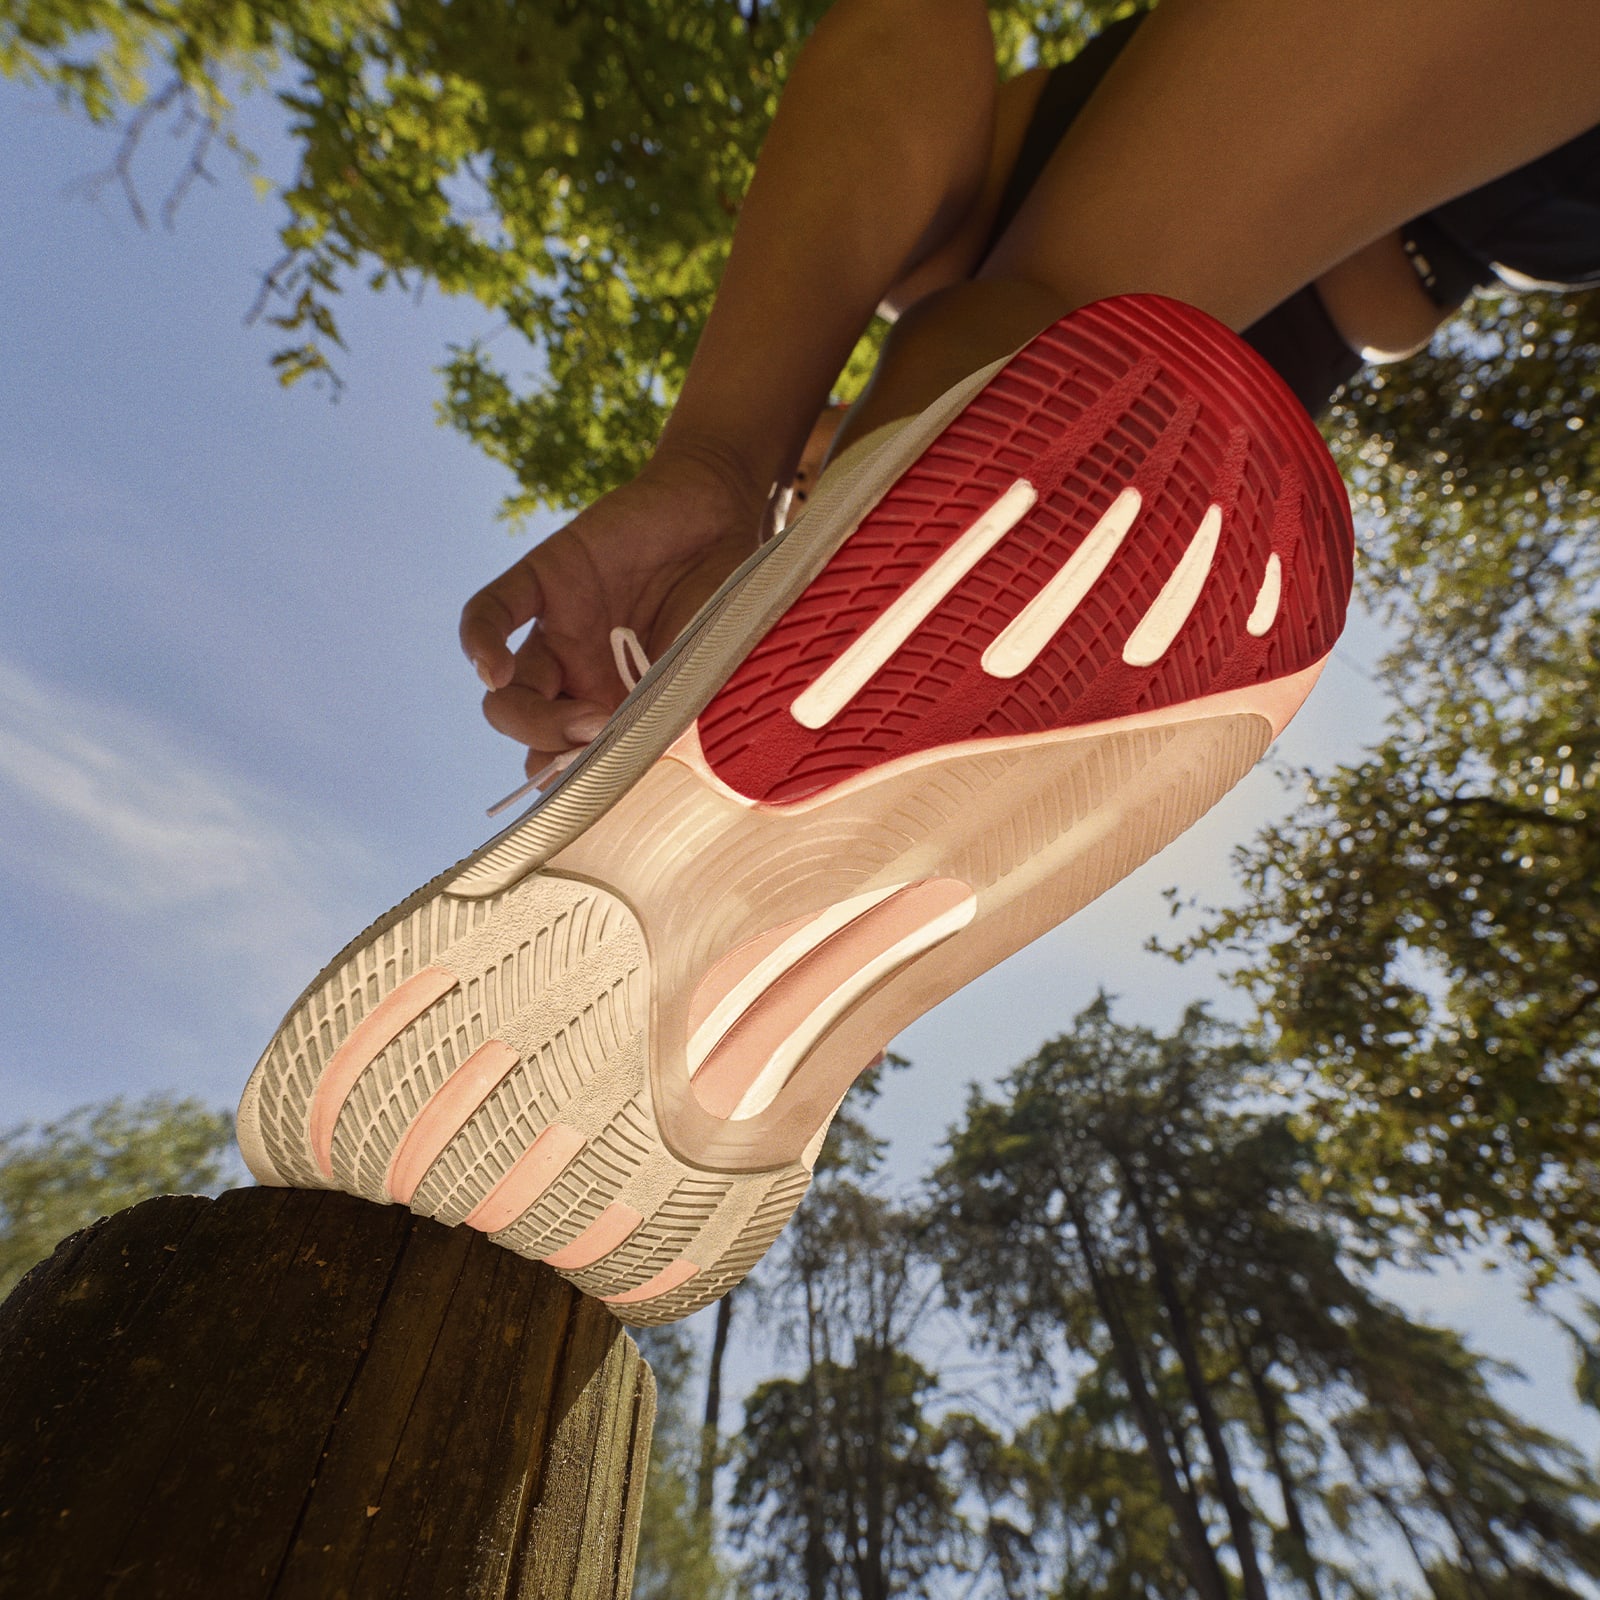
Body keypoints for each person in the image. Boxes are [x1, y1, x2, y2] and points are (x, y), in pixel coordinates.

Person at [238, 0, 1600, 1324]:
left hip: (1398, 196)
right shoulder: (1021, 321)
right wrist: (729, 470)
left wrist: (728, 453)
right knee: (1001, 337)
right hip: (1403, 252)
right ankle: (795, 594)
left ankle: (802, 578)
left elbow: (905, 37)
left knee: (1003, 326)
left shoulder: (1003, 209)